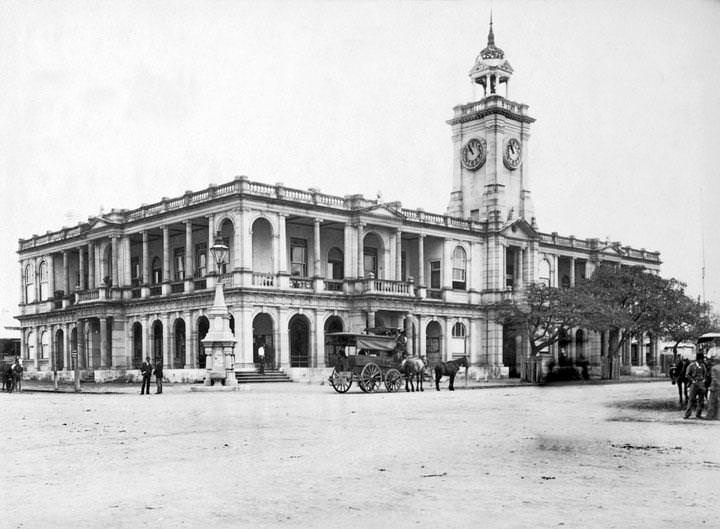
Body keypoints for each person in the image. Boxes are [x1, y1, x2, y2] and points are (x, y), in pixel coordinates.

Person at [684, 353, 708, 419]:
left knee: (701, 400)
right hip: (694, 384)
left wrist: (704, 380)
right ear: (698, 359)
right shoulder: (691, 365)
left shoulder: (703, 365)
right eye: (701, 359)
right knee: (691, 399)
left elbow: (705, 374)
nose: (702, 360)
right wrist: (692, 380)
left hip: (701, 383)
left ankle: (698, 414)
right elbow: (687, 375)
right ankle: (687, 414)